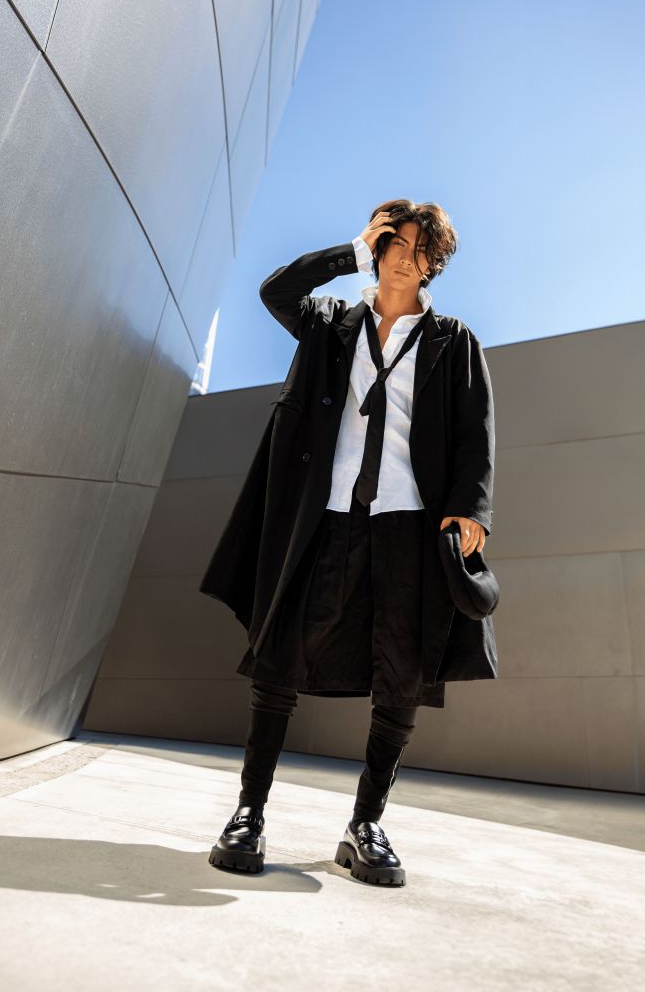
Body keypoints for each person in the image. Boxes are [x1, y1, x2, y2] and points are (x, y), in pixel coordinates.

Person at [203, 199, 496, 887]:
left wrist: (469, 509)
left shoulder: (454, 342)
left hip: (409, 524)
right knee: (279, 660)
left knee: (402, 673)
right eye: (394, 239)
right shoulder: (330, 325)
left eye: (420, 245)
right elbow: (276, 291)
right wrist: (351, 249)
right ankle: (249, 813)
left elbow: (474, 436)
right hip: (322, 517)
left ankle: (366, 823)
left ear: (435, 263)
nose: (404, 252)